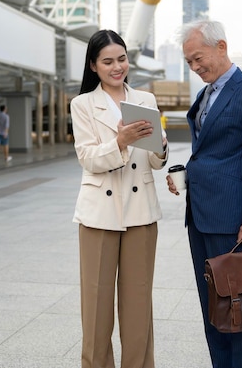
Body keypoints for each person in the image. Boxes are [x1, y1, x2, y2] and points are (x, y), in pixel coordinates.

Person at [166, 19, 242, 368]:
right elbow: (210, 152)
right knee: (213, 311)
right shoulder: (204, 95)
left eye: (199, 59)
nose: (196, 68)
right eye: (189, 63)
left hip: (231, 221)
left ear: (221, 47)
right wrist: (187, 174)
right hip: (199, 217)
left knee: (239, 313)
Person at [70, 29, 169, 368]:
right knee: (96, 306)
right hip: (99, 215)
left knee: (139, 304)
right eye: (108, 61)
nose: (117, 67)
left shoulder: (145, 100)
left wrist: (161, 145)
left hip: (141, 212)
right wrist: (122, 141)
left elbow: (156, 161)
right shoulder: (82, 104)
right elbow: (89, 159)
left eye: (122, 59)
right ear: (94, 66)